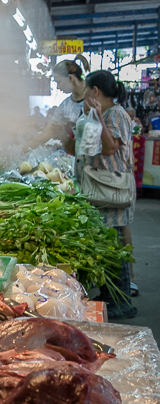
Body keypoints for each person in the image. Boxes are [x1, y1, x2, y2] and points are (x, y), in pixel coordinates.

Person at [79, 70, 137, 318]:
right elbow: (90, 148)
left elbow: (111, 147)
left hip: (112, 189)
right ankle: (108, 294)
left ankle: (121, 302)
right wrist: (89, 119)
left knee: (114, 246)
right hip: (100, 189)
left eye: (86, 90)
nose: (82, 95)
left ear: (95, 91)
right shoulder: (99, 114)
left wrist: (99, 118)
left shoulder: (117, 114)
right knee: (106, 244)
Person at [36, 58, 88, 152]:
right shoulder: (65, 105)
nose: (58, 87)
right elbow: (45, 135)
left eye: (59, 82)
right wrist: (20, 151)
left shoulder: (97, 97)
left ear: (71, 78)